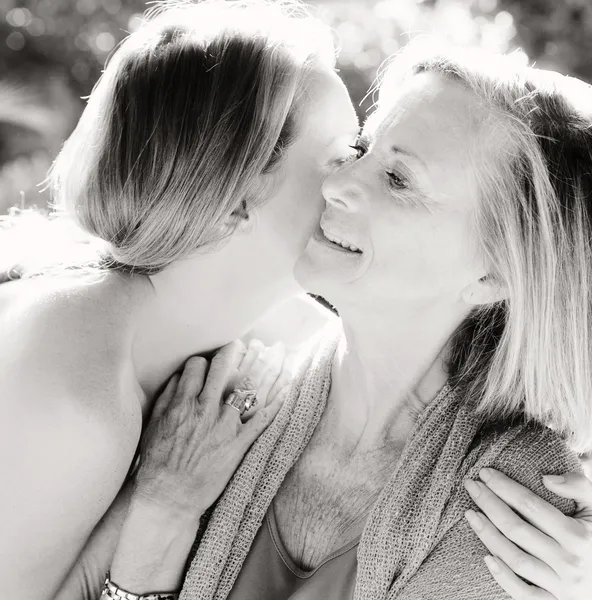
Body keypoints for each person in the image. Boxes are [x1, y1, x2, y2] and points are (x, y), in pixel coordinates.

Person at [1, 2, 589, 598]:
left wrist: (158, 532)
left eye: (398, 178)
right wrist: (161, 512)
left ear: (498, 272)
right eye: (358, 151)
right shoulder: (231, 385)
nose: (337, 184)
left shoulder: (521, 513)